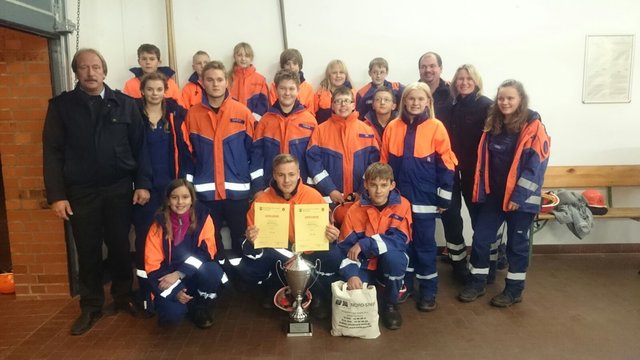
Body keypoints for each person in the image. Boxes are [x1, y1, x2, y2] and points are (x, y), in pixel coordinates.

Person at [43, 48, 151, 335]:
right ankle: (91, 306)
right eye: (84, 68)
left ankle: (123, 297)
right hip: (80, 192)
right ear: (76, 72)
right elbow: (52, 153)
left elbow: (141, 148)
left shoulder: (125, 105)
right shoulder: (61, 107)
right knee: (88, 251)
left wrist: (142, 184)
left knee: (118, 246)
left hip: (118, 189)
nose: (90, 73)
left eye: (95, 67)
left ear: (104, 71)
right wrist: (56, 195)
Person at [458, 79, 550, 307]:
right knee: (480, 239)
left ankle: (514, 290)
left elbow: (535, 168)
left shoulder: (534, 127)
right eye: (501, 98)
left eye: (510, 98)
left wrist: (518, 198)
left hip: (522, 202)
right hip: (494, 198)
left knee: (517, 246)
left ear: (520, 100)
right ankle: (477, 283)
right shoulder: (493, 125)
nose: (505, 102)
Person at [381, 82, 457, 312]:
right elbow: (384, 163)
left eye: (420, 99)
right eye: (410, 98)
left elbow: (447, 165)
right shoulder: (393, 127)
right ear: (404, 101)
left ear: (428, 102)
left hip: (425, 200)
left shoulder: (436, 127)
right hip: (399, 201)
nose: (415, 103)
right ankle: (407, 286)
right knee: (403, 244)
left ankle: (428, 291)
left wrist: (443, 200)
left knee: (424, 246)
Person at [238, 154, 341, 318]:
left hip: (308, 251)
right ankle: (274, 287)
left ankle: (317, 293)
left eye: (291, 174)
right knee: (250, 268)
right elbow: (248, 245)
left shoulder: (314, 197)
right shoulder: (261, 202)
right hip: (279, 253)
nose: (287, 180)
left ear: (299, 174)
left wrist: (332, 237)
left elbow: (327, 231)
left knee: (334, 255)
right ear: (274, 175)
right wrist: (250, 240)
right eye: (281, 175)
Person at [182, 60, 255, 260]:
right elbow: (188, 155)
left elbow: (254, 151)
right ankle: (221, 277)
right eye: (210, 80)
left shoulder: (242, 113)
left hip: (237, 192)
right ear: (202, 82)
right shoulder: (192, 115)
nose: (215, 84)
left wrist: (254, 184)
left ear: (227, 82)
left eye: (219, 79)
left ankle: (243, 277)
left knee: (241, 237)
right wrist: (188, 187)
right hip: (205, 194)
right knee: (211, 239)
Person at [132, 72, 190, 315]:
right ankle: (147, 293)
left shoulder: (175, 116)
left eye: (159, 89)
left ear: (165, 91)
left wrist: (183, 187)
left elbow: (185, 151)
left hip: (170, 190)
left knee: (174, 239)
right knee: (145, 240)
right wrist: (138, 185)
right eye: (150, 89)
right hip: (145, 191)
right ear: (142, 91)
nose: (154, 93)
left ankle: (176, 289)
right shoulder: (134, 117)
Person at [338, 162, 412, 330]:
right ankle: (369, 287)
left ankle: (391, 305)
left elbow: (401, 240)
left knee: (395, 258)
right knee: (355, 292)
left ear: (392, 185)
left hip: (391, 259)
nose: (378, 191)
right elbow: (345, 249)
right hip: (364, 264)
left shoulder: (403, 205)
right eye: (373, 185)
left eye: (384, 185)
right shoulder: (355, 210)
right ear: (366, 185)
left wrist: (366, 243)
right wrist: (351, 275)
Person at [145, 179, 226, 328]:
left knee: (213, 271)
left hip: (193, 274)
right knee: (172, 315)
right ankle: (182, 304)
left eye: (185, 197)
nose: (180, 202)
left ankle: (200, 307)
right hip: (168, 279)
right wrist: (175, 290)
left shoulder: (204, 217)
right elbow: (152, 265)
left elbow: (206, 252)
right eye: (174, 197)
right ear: (168, 201)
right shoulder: (158, 224)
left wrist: (180, 273)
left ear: (192, 199)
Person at [440, 64, 493, 283]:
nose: (464, 82)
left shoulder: (486, 105)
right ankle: (458, 263)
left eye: (468, 78)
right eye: (460, 79)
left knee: (478, 219)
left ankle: (486, 266)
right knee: (451, 217)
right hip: (451, 171)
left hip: (476, 174)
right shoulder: (451, 106)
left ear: (476, 81)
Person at [307, 86, 380, 205]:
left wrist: (362, 191)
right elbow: (314, 164)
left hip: (359, 199)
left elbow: (373, 165)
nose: (342, 105)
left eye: (346, 101)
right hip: (329, 198)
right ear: (332, 106)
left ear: (353, 105)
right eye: (338, 101)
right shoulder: (320, 130)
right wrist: (330, 189)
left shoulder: (367, 131)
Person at [250, 69, 317, 195]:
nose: (287, 93)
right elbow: (256, 158)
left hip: (301, 190)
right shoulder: (265, 121)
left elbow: (314, 160)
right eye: (283, 88)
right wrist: (258, 188)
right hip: (269, 189)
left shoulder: (310, 122)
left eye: (291, 89)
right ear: (275, 90)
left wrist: (310, 189)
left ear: (298, 91)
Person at [228, 42, 269, 121]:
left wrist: (251, 119)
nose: (243, 59)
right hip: (232, 123)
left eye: (247, 56)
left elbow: (263, 105)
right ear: (234, 57)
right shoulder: (226, 79)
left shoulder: (260, 80)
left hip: (254, 123)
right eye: (240, 55)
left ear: (251, 58)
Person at [268, 48, 315, 114]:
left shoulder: (308, 88)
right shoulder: (275, 86)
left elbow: (311, 112)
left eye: (295, 64)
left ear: (300, 66)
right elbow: (274, 108)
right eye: (288, 64)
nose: (291, 67)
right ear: (283, 66)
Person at [314, 59, 356, 124]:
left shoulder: (353, 93)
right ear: (329, 75)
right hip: (325, 131)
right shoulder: (320, 94)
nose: (338, 75)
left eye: (341, 72)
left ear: (346, 75)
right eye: (334, 73)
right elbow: (313, 115)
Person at [417, 52, 451, 119]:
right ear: (419, 70)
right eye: (423, 67)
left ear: (440, 68)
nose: (428, 70)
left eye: (432, 66)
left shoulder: (452, 93)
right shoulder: (410, 93)